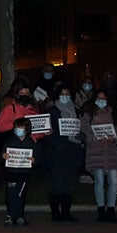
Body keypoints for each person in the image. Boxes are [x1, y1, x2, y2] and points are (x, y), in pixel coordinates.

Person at [45, 85, 84, 222]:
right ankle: (55, 213)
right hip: (58, 153)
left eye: (68, 93)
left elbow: (82, 129)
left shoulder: (77, 110)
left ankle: (66, 213)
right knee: (57, 183)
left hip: (73, 151)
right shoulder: (52, 111)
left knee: (68, 184)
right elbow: (47, 132)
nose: (65, 96)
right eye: (62, 93)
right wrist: (57, 144)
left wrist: (81, 136)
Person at [82, 91, 117, 223]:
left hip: (110, 152)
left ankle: (111, 210)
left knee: (114, 182)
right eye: (99, 98)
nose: (101, 100)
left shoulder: (114, 113)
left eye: (104, 98)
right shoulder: (88, 114)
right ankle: (101, 211)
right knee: (99, 181)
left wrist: (113, 138)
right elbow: (85, 132)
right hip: (95, 151)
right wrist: (96, 138)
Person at [1, 117, 36, 227]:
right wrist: (3, 156)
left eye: (20, 127)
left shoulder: (30, 142)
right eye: (16, 127)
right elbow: (3, 153)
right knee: (11, 195)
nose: (18, 129)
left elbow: (37, 156)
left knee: (21, 195)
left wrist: (34, 160)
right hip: (11, 172)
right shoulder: (10, 140)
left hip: (24, 174)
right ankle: (10, 216)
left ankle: (20, 216)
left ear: (26, 129)